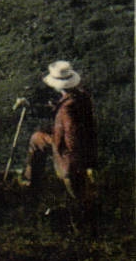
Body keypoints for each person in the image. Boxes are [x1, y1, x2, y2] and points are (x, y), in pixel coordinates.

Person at [22, 60, 96, 203]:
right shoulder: (80, 97)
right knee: (37, 138)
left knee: (78, 196)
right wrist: (31, 106)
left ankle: (32, 185)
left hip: (68, 153)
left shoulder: (66, 109)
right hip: (84, 147)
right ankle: (31, 182)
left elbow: (71, 137)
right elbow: (60, 111)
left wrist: (67, 159)